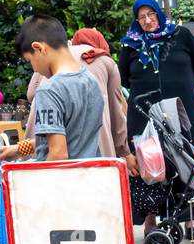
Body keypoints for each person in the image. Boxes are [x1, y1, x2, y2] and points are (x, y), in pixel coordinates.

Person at [0, 16, 103, 162]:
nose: (34, 68)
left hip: (60, 182)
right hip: (88, 177)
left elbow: (58, 154)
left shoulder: (49, 90)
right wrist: (20, 149)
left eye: (30, 61)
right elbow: (72, 139)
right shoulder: (91, 82)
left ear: (39, 48)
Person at [23, 26, 131, 165]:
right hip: (90, 160)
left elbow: (58, 153)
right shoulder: (96, 74)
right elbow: (116, 113)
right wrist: (124, 152)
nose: (34, 67)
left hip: (54, 167)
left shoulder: (48, 77)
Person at [119, 0, 194, 146]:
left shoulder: (181, 34)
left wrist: (184, 84)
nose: (147, 21)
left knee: (189, 159)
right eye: (142, 17)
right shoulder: (130, 45)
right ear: (137, 20)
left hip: (183, 108)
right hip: (144, 113)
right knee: (150, 162)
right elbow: (123, 77)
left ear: (158, 12)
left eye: (151, 14)